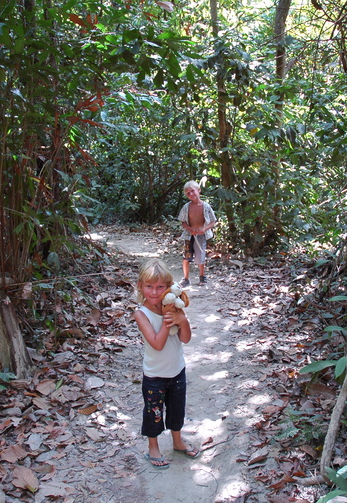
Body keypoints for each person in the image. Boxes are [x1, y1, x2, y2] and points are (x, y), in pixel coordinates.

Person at [134, 258, 201, 469]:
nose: (154, 292)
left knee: (176, 409)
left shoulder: (175, 308)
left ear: (169, 287)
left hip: (177, 370)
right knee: (153, 413)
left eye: (160, 287)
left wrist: (183, 320)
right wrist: (166, 319)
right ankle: (153, 447)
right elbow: (157, 344)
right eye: (149, 286)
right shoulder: (141, 314)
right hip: (154, 375)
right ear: (140, 286)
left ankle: (177, 441)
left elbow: (185, 339)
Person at [177, 180, 217, 287]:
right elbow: (182, 221)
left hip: (201, 235)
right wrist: (190, 229)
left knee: (201, 256)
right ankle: (186, 278)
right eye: (188, 193)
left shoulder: (206, 206)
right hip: (189, 236)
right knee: (186, 257)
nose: (191, 194)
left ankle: (202, 276)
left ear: (199, 190)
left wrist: (204, 229)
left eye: (192, 191)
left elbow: (213, 221)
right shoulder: (186, 207)